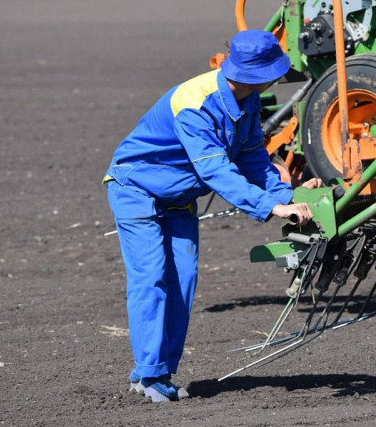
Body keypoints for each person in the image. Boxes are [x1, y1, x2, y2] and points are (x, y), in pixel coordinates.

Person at [104, 30, 321, 403]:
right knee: (151, 278)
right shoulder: (195, 104)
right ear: (256, 74)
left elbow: (253, 156)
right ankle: (151, 375)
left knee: (183, 280)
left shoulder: (247, 99)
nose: (278, 78)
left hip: (178, 196)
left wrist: (288, 196)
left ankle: (154, 372)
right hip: (137, 190)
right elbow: (216, 171)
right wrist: (271, 207)